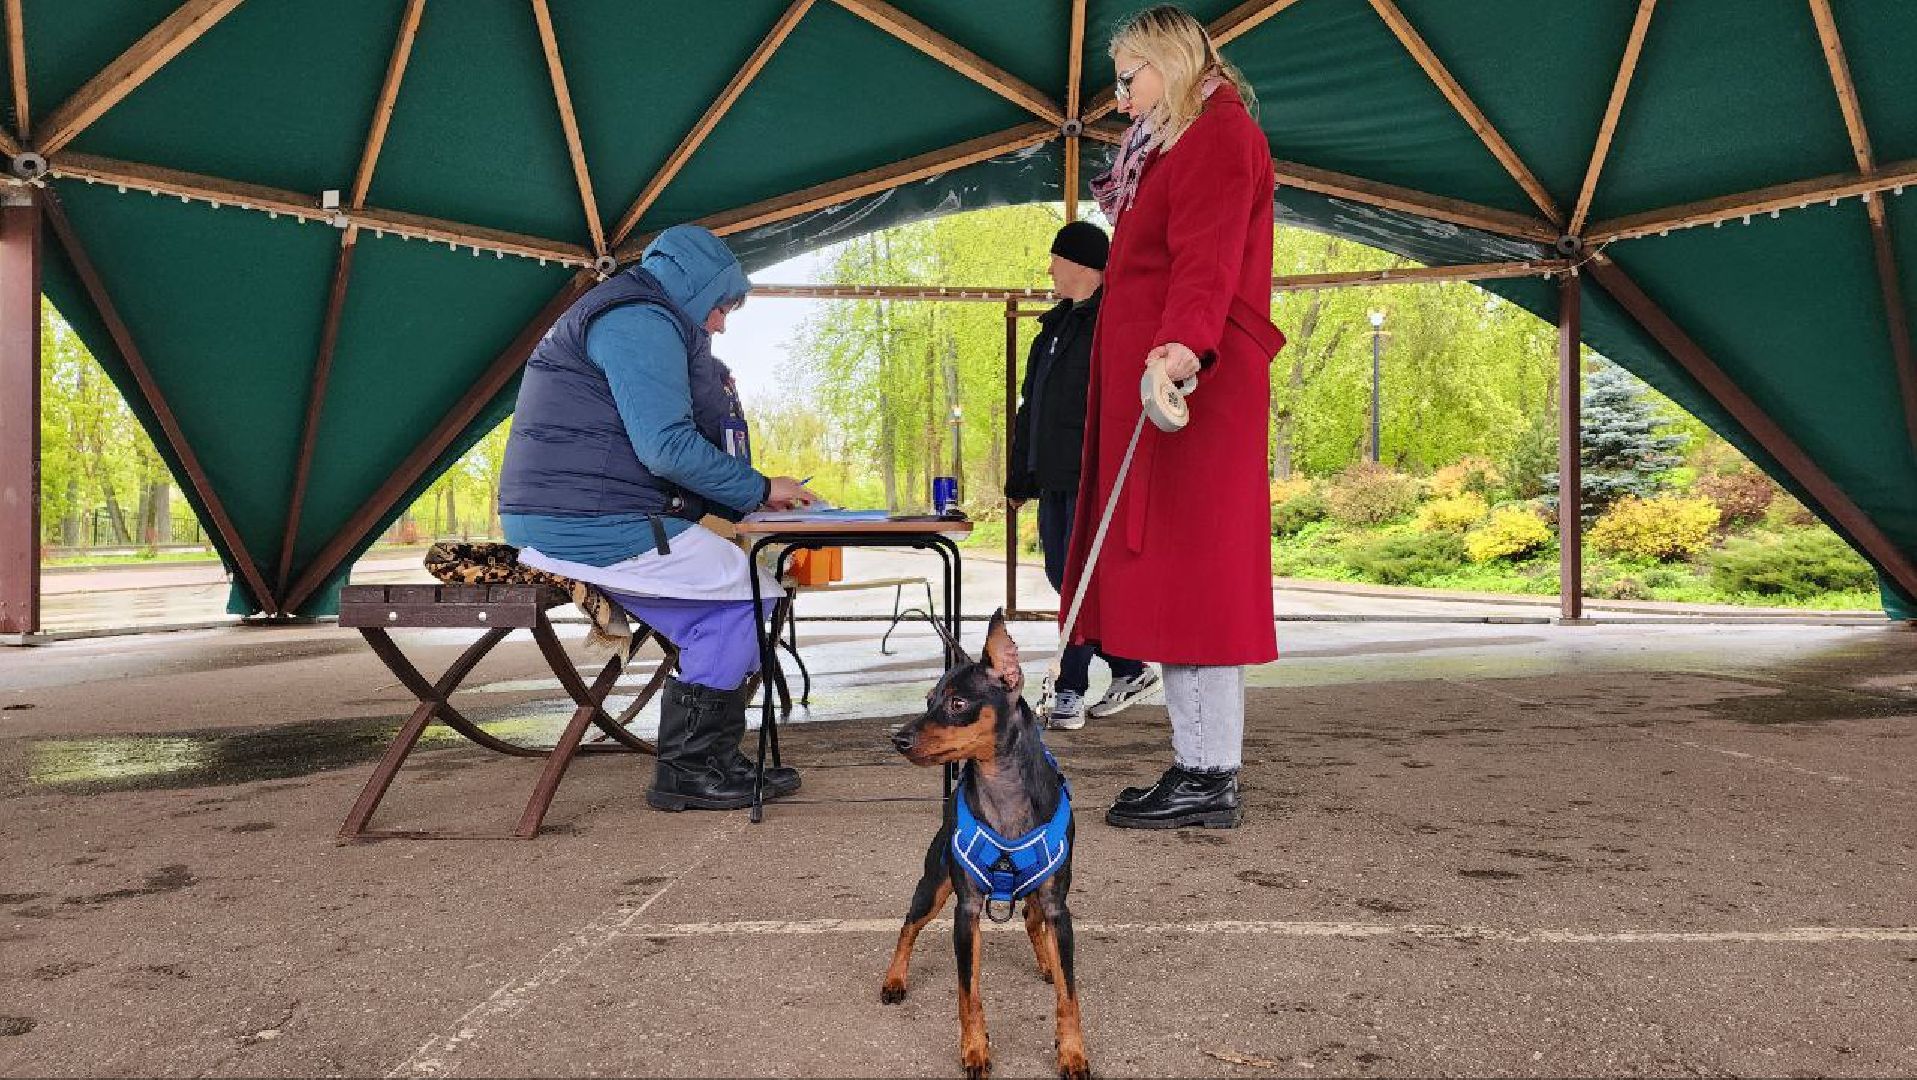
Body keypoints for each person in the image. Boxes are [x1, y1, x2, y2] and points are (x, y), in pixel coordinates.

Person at [497, 224, 818, 813]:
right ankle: (690, 769)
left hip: (580, 513)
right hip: (584, 521)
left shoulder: (638, 311)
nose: (720, 323)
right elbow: (666, 449)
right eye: (721, 306)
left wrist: (749, 492)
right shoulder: (638, 320)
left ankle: (706, 758)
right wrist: (759, 488)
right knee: (752, 596)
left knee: (742, 593)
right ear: (695, 288)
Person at [1062, 5, 1288, 829]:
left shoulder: (1216, 135)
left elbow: (1207, 254)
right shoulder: (1173, 142)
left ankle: (1207, 775)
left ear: (1167, 60)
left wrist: (1183, 346)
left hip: (1190, 386)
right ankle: (1199, 767)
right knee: (1175, 575)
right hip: (1167, 382)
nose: (1119, 98)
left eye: (1128, 77)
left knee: (1195, 577)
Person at [1006, 221, 1159, 730]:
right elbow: (1032, 406)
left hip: (1093, 476)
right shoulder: (1050, 330)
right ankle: (1128, 666)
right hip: (1052, 474)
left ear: (1078, 263)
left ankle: (1068, 688)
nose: (1048, 268)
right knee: (1061, 575)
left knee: (1077, 581)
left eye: (1054, 258)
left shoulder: (1113, 323)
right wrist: (1019, 473)